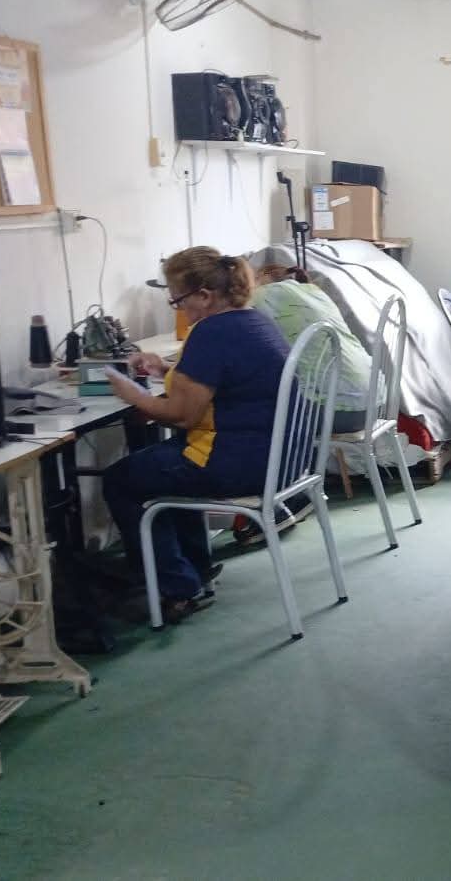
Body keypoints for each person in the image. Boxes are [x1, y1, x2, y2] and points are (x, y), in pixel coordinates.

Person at [103, 247, 291, 623]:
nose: (179, 309)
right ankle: (196, 570)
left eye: (178, 300)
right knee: (169, 461)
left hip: (237, 462)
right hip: (279, 456)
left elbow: (182, 415)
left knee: (121, 480)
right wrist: (166, 368)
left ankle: (176, 588)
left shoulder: (210, 332)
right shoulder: (253, 321)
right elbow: (222, 374)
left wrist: (132, 392)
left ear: (204, 296)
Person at [252, 264, 375, 434]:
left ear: (263, 275)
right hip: (373, 405)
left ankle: (287, 460)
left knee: (248, 412)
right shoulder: (315, 292)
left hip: (338, 412)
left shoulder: (264, 295)